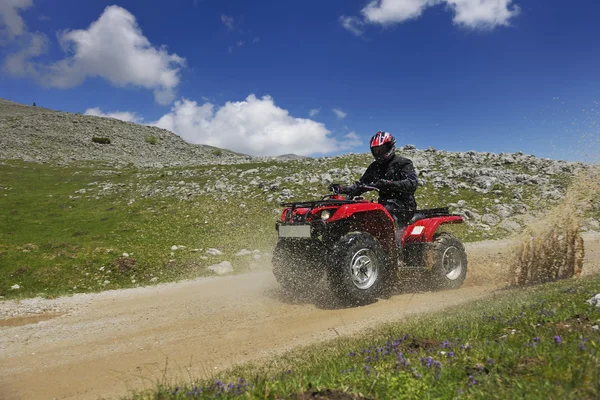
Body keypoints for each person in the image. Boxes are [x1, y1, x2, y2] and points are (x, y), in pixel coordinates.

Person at [329, 131, 420, 246]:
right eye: (376, 150)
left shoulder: (403, 163)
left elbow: (412, 183)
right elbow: (361, 185)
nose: (379, 153)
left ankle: (396, 254)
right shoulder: (374, 167)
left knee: (387, 210)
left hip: (404, 206)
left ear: (390, 146)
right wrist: (342, 189)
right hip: (384, 205)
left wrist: (390, 184)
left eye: (381, 149)